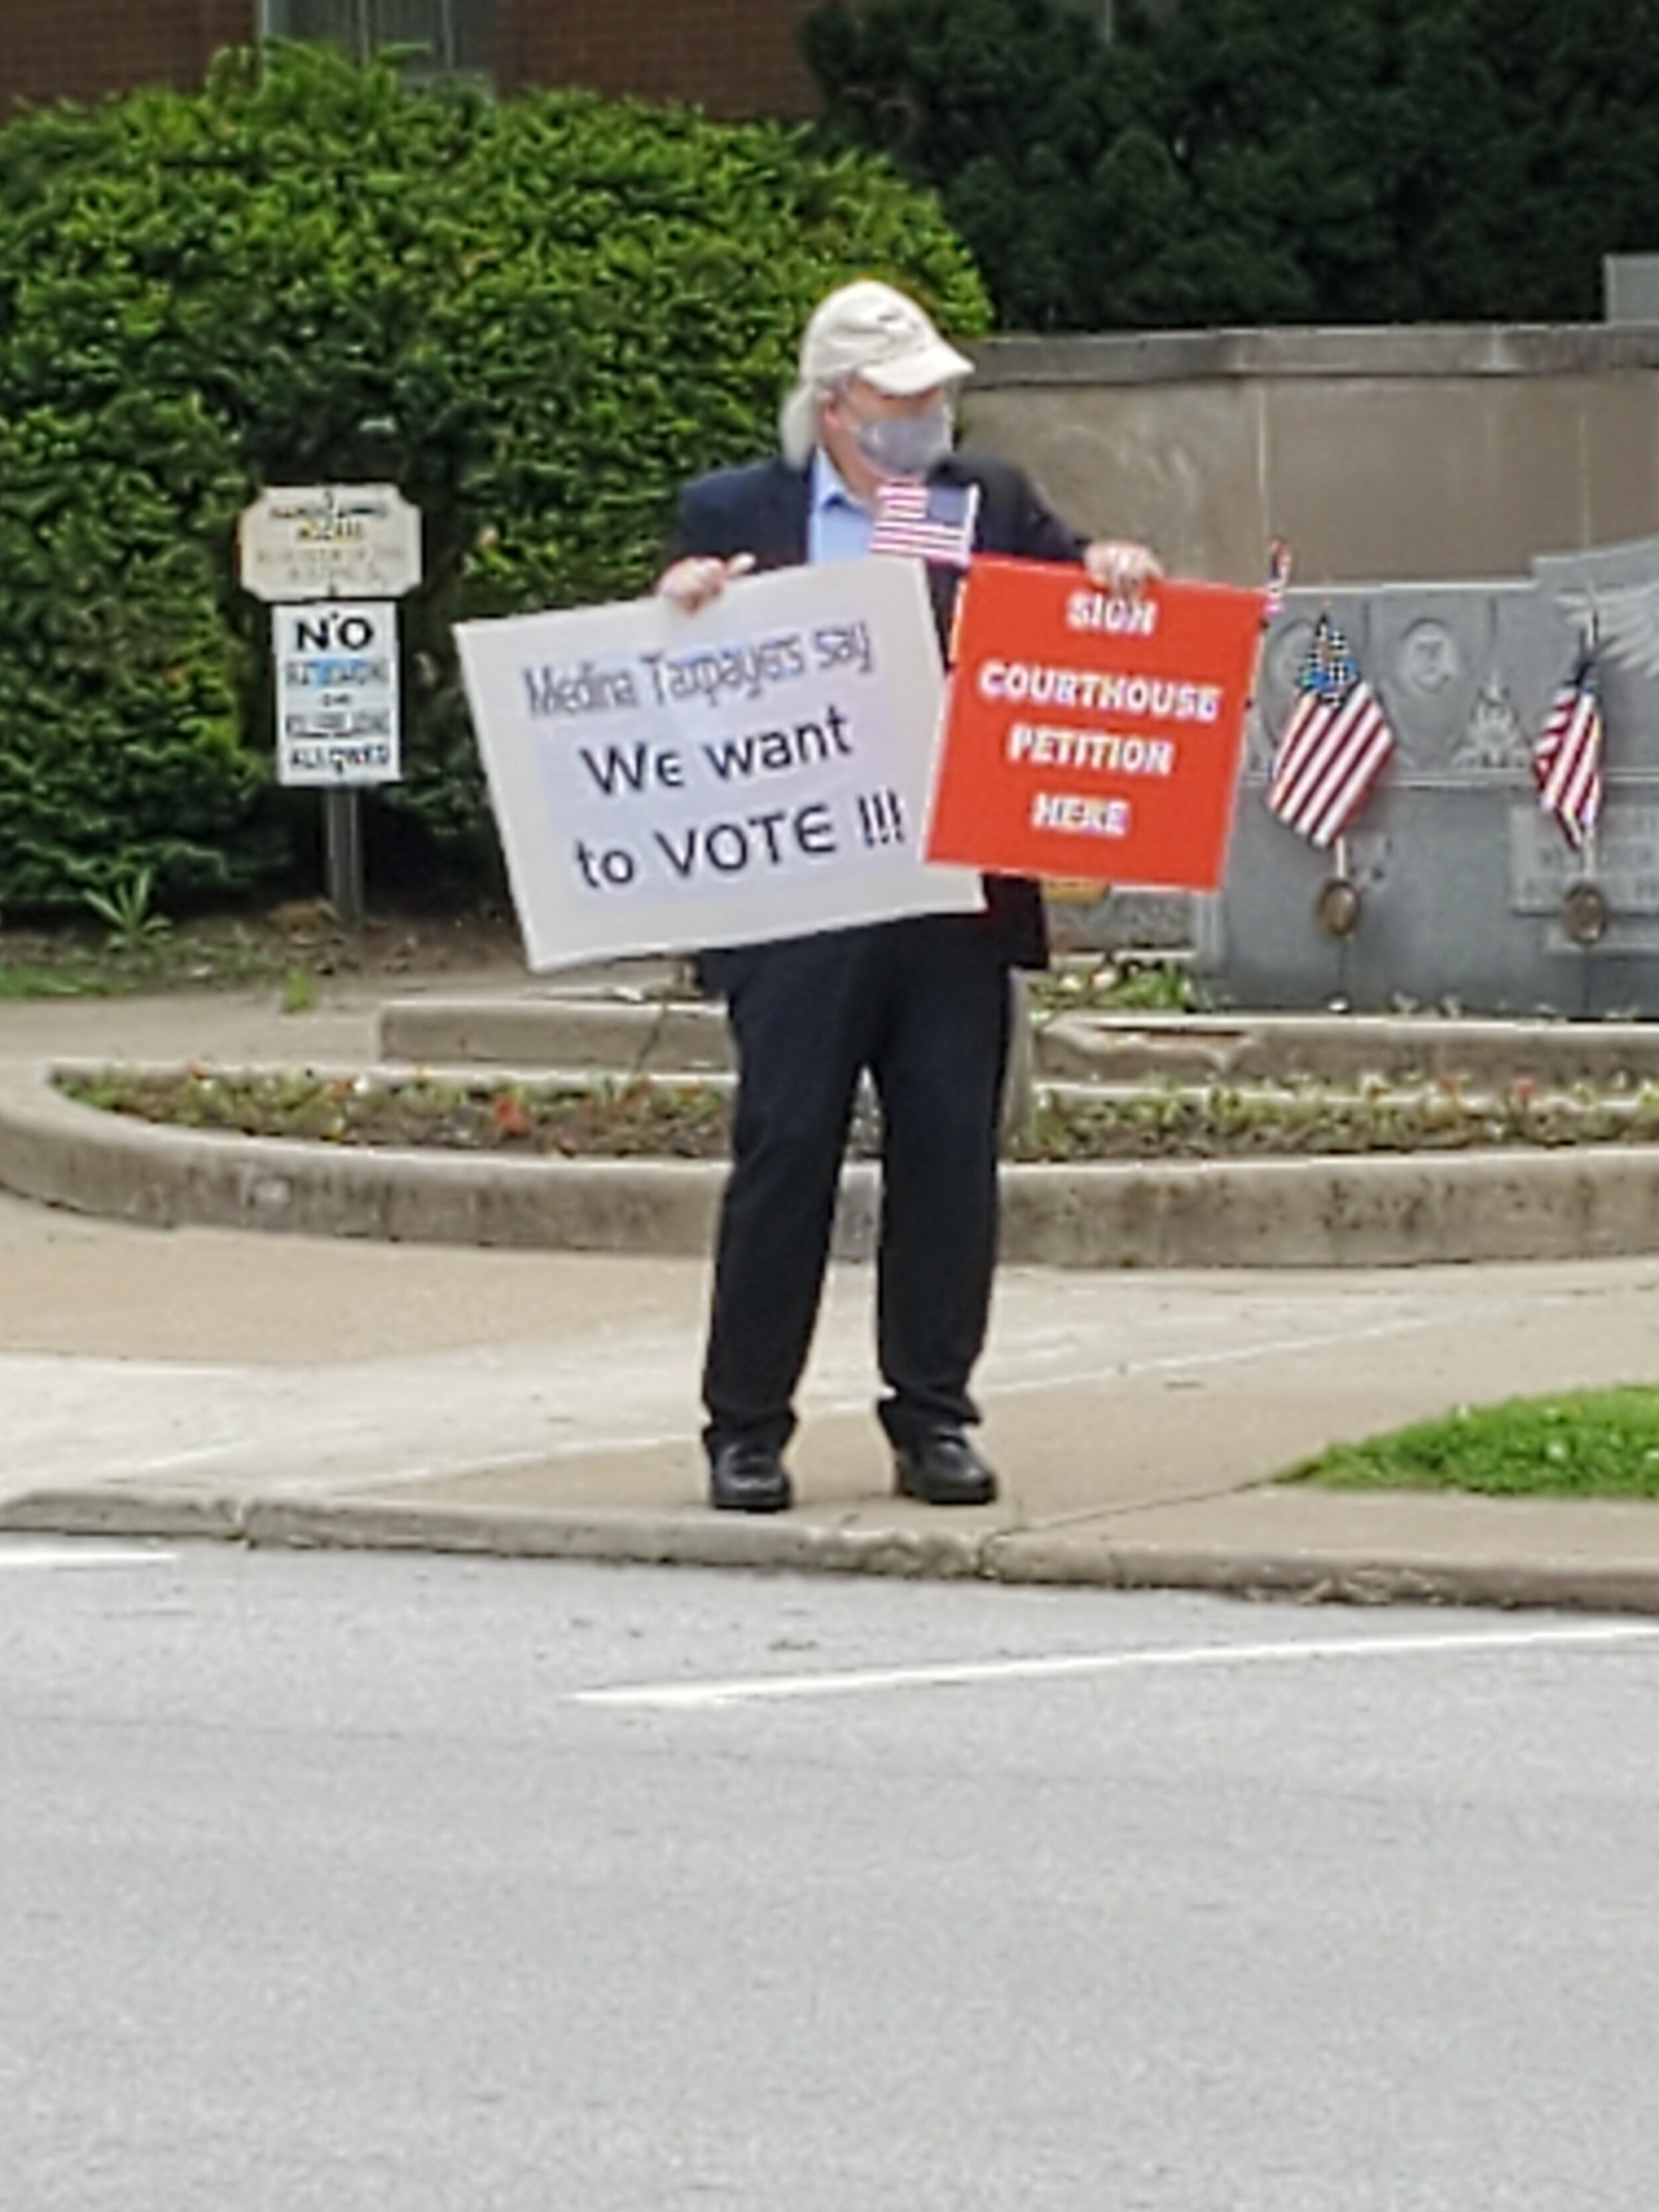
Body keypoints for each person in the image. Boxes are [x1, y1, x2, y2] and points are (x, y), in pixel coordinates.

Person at [659, 278, 1160, 1515]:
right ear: (833, 406)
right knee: (787, 1150)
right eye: (903, 397)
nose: (929, 415)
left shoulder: (983, 503)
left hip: (953, 892)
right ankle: (746, 1427)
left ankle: (932, 1415)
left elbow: (1071, 594)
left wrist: (1112, 569)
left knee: (949, 1154)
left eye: (941, 394)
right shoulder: (737, 512)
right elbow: (675, 695)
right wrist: (683, 611)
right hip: (802, 899)